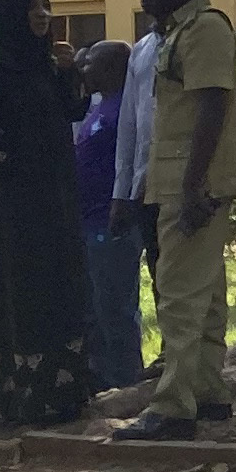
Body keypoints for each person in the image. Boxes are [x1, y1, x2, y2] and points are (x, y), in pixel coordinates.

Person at [117, 0, 236, 442]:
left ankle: (173, 407)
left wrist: (195, 186)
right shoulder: (173, 33)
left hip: (190, 185)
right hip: (175, 180)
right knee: (207, 293)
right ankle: (209, 393)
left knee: (178, 293)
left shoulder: (206, 29)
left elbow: (212, 106)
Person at [0, 0, 93, 429]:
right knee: (24, 289)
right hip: (18, 202)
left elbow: (72, 112)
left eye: (47, 5)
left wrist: (69, 73)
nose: (43, 14)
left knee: (61, 285)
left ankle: (63, 392)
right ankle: (23, 393)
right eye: (33, 7)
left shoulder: (44, 65)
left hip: (57, 198)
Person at [75, 37, 145, 390]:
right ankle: (101, 378)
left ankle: (124, 379)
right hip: (88, 221)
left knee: (115, 305)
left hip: (110, 221)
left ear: (112, 68)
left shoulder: (123, 110)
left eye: (91, 64)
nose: (83, 68)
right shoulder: (97, 106)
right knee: (97, 307)